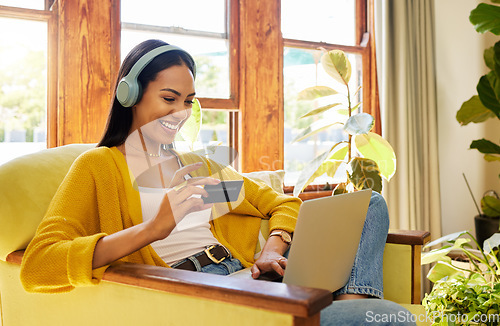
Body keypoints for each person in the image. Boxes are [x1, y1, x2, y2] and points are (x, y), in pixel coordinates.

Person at [20, 39, 416, 325]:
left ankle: (350, 297)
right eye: (169, 98)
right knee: (388, 319)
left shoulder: (196, 167)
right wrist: (154, 228)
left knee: (370, 204)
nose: (181, 112)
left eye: (188, 100)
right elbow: (39, 265)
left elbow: (279, 203)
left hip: (249, 276)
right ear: (131, 95)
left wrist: (271, 249)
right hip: (204, 292)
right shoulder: (100, 167)